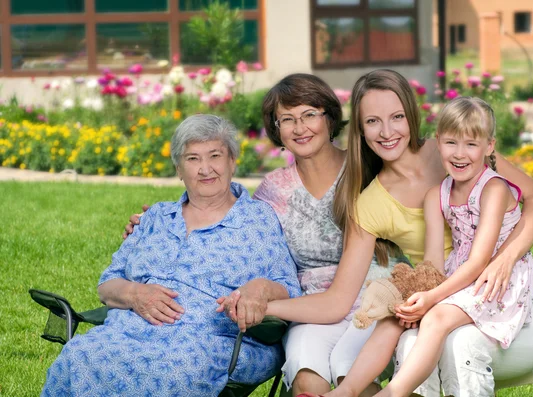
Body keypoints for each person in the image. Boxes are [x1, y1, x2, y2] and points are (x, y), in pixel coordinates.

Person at [264, 69, 533, 397]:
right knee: (399, 327)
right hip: (442, 293)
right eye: (373, 121)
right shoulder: (371, 203)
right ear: (360, 128)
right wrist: (265, 307)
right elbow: (340, 299)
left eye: (397, 117)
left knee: (436, 340)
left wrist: (505, 259)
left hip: (494, 297)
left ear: (411, 115)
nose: (387, 132)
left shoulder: (456, 150)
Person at [125, 74, 388, 396]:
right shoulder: (273, 190)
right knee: (306, 376)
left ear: (329, 118)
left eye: (309, 115)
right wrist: (161, 222)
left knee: (353, 379)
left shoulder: (367, 168)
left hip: (377, 296)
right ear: (277, 130)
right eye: (287, 120)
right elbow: (231, 218)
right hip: (311, 306)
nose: (300, 128)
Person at [41, 114, 301, 396]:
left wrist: (259, 289)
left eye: (215, 155)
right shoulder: (156, 217)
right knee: (77, 355)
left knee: (172, 371)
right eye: (192, 159)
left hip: (213, 339)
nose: (205, 169)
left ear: (232, 161)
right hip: (131, 333)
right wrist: (134, 294)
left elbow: (288, 286)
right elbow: (108, 284)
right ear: (179, 168)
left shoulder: (257, 219)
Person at [327, 96, 533, 397]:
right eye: (451, 143)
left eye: (471, 144)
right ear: (437, 142)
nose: (460, 153)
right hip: (458, 278)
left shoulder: (493, 189)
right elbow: (433, 264)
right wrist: (416, 298)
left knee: (436, 317)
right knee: (396, 317)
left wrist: (432, 300)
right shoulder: (436, 196)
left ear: (489, 147)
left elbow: (480, 261)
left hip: (494, 282)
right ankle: (345, 392)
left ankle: (392, 393)